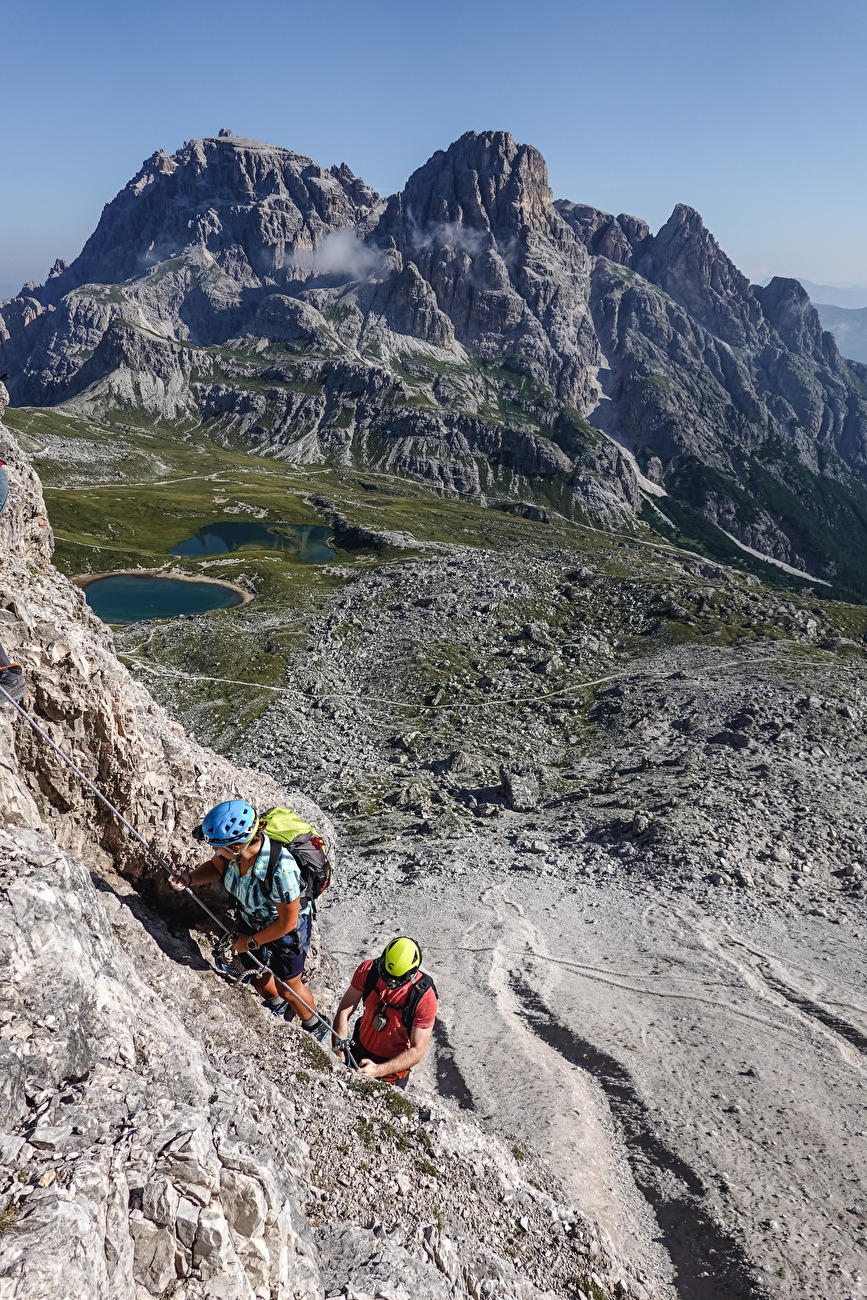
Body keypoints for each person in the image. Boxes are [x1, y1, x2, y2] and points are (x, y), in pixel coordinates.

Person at [170, 799, 328, 1040]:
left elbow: (287, 923)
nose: (214, 850)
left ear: (235, 847)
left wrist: (250, 942)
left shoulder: (280, 869)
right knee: (255, 973)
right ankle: (277, 1006)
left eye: (216, 846)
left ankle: (313, 1024)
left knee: (289, 986)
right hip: (252, 920)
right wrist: (190, 879)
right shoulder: (233, 855)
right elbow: (215, 867)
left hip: (285, 932)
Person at [332, 937, 437, 1088]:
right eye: (386, 975)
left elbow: (417, 1050)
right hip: (357, 1050)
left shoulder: (424, 998)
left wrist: (378, 1070)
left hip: (391, 1071)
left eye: (396, 979)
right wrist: (339, 1053)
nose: (389, 983)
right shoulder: (368, 971)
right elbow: (344, 1011)